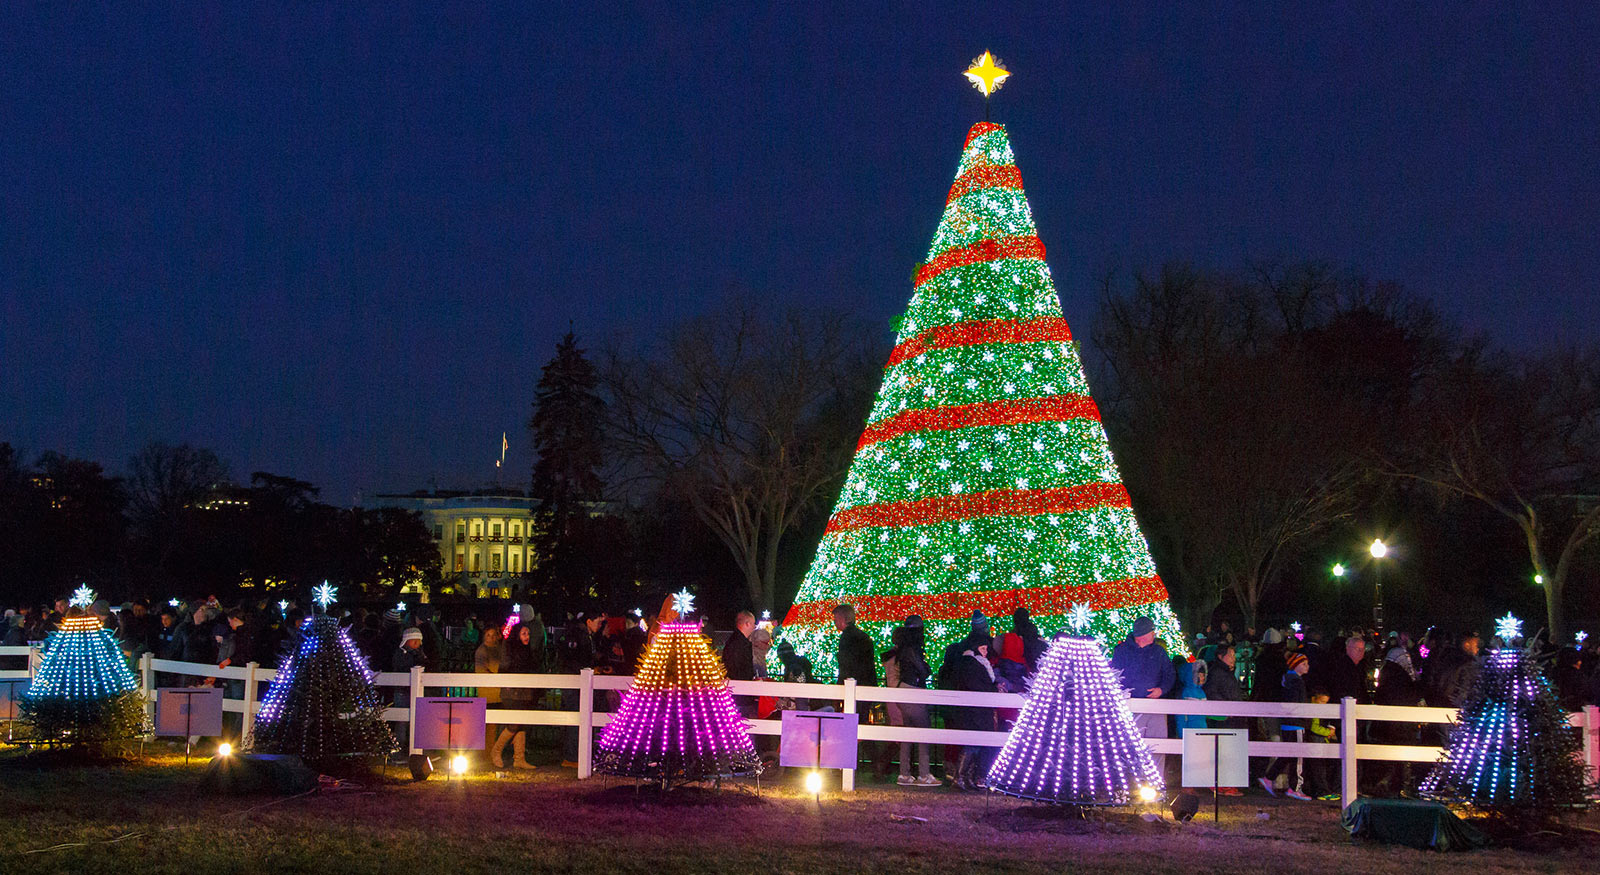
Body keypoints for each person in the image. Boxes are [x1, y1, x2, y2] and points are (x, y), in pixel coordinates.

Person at [1109, 616, 1175, 775]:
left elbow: (1170, 674)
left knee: (1158, 746)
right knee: (1130, 747)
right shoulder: (1122, 651)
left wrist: (1162, 689)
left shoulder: (1159, 651)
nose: (1154, 634)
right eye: (1152, 631)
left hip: (1155, 708)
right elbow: (1114, 676)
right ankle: (1131, 785)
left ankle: (1156, 784)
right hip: (1130, 708)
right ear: (1144, 634)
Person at [881, 616, 938, 787]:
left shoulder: (902, 649)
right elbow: (923, 670)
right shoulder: (912, 649)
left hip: (903, 691)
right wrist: (925, 669)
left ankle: (904, 773)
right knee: (924, 731)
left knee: (908, 732)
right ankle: (924, 774)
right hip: (913, 690)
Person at [945, 632, 999, 790]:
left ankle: (966, 777)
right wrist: (993, 689)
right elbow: (977, 685)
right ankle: (960, 776)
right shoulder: (971, 663)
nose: (986, 651)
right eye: (982, 648)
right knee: (972, 744)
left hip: (977, 710)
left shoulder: (974, 662)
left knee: (975, 744)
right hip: (975, 711)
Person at [1259, 652, 1313, 800]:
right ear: (1296, 666)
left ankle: (1269, 778)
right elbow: (1298, 704)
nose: (1307, 666)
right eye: (1304, 664)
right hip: (1296, 724)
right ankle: (1295, 788)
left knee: (1288, 754)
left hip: (1287, 724)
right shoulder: (1297, 682)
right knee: (1298, 757)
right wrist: (1304, 718)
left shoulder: (1287, 680)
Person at [1374, 645, 1424, 794]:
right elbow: (1407, 696)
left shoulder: (1388, 673)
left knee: (1393, 754)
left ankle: (1390, 783)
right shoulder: (1400, 676)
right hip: (1400, 724)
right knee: (1402, 754)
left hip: (1390, 723)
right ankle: (1400, 785)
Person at [558, 610, 603, 768]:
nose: (600, 625)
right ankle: (571, 756)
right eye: (598, 622)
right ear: (589, 621)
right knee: (576, 717)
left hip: (578, 679)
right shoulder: (579, 635)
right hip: (574, 682)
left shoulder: (585, 635)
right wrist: (588, 668)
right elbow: (571, 659)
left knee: (580, 717)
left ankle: (576, 755)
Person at [491, 623, 537, 770]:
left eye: (528, 634)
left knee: (522, 723)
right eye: (524, 633)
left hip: (524, 691)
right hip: (511, 692)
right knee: (514, 724)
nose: (527, 637)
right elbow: (504, 667)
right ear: (517, 635)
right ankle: (496, 751)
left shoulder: (527, 651)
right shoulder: (509, 648)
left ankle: (519, 758)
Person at [723, 610, 757, 716]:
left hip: (737, 691)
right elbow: (739, 668)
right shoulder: (740, 643)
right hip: (741, 693)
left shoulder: (734, 640)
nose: (754, 627)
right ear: (747, 624)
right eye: (753, 623)